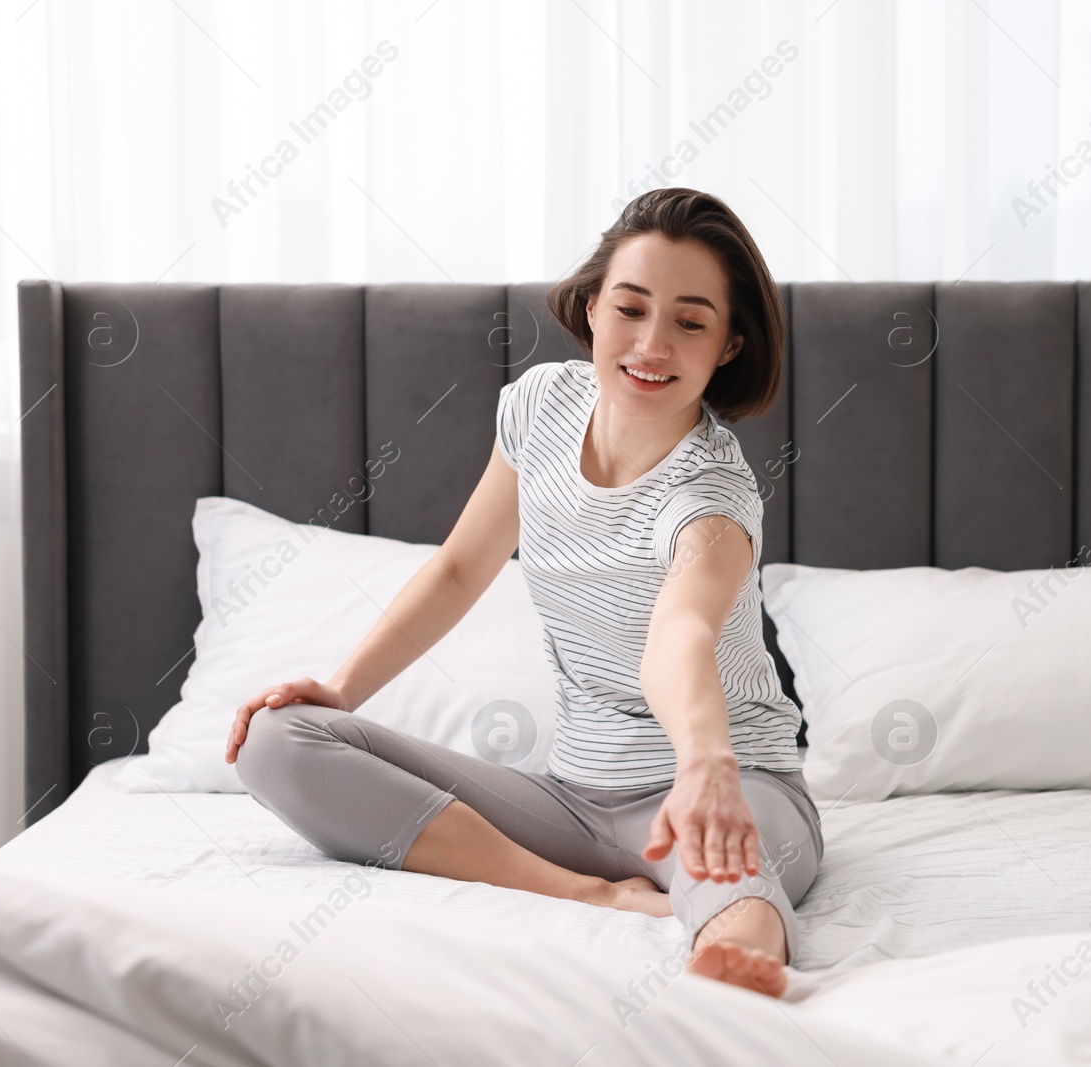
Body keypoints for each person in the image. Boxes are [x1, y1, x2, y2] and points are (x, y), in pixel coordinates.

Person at [226, 187, 821, 999]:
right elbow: (461, 569)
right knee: (276, 737)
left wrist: (707, 767)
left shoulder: (711, 495)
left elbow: (676, 637)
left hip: (731, 783)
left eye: (690, 321)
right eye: (631, 307)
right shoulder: (541, 405)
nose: (651, 343)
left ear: (727, 345)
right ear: (591, 305)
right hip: (571, 804)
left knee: (735, 906)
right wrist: (341, 691)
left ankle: (731, 992)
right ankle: (582, 891)